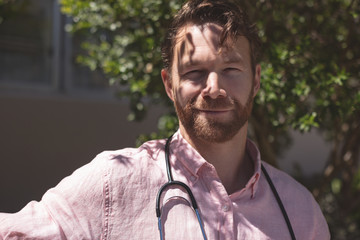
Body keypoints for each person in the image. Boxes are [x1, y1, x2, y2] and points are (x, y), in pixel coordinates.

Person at [0, 0, 330, 239]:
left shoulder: (299, 212)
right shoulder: (112, 185)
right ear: (169, 85)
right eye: (195, 72)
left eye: (230, 69)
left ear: (256, 80)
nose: (213, 88)